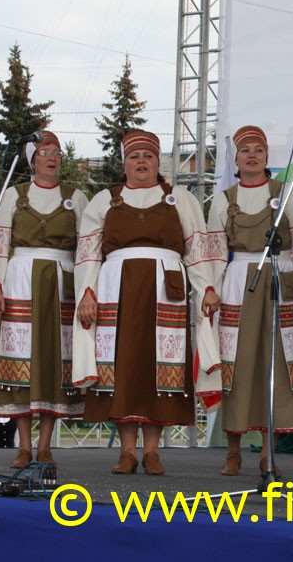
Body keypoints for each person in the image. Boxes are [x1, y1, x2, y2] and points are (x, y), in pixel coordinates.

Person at [71, 129, 218, 475]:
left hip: (165, 287)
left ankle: (152, 452)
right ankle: (127, 452)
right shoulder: (105, 200)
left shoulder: (180, 199)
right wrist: (87, 292)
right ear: (125, 164)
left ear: (157, 162)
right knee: (123, 366)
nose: (141, 162)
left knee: (160, 367)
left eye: (148, 156)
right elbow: (88, 252)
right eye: (134, 156)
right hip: (115, 288)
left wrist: (207, 286)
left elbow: (197, 248)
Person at [207, 125, 293, 476]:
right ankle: (232, 451)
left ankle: (267, 452)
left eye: (258, 149)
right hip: (239, 285)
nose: (252, 155)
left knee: (273, 365)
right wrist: (212, 288)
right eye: (245, 150)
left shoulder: (285, 193)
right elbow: (215, 251)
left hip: (280, 280)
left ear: (267, 157)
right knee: (237, 367)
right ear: (237, 158)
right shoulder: (223, 199)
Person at [0, 131, 88, 471]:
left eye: (56, 152)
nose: (52, 157)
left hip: (63, 278)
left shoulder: (76, 198)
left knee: (54, 359)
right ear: (32, 160)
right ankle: (23, 445)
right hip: (21, 277)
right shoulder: (14, 195)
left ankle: (45, 446)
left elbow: (88, 248)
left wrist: (87, 288)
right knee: (21, 358)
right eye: (44, 151)